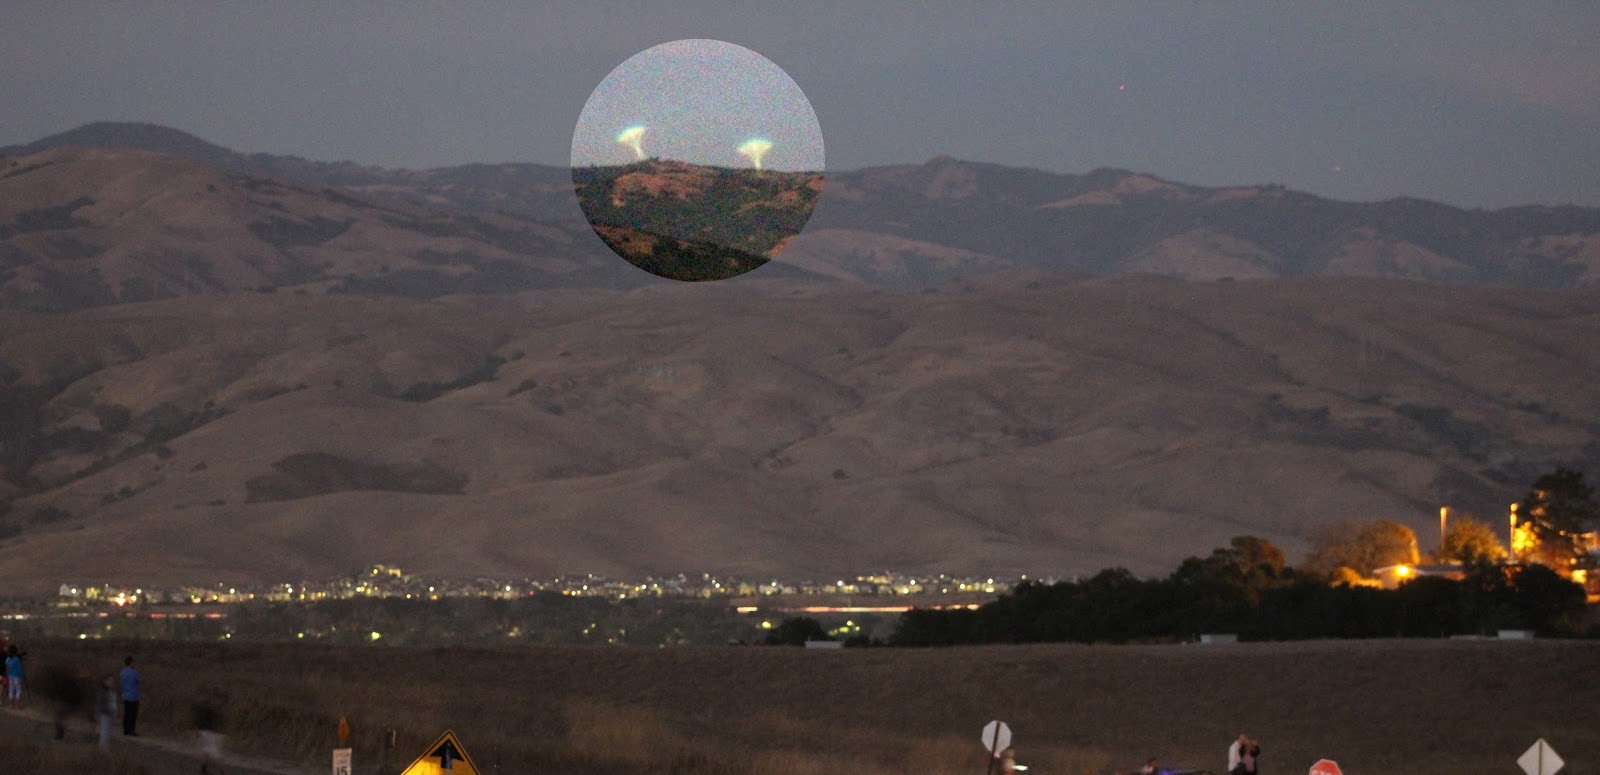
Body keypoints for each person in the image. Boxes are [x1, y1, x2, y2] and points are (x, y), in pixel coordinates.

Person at [118, 655, 141, 736]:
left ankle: (125, 730)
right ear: (131, 662)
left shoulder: (122, 672)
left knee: (127, 713)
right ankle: (131, 730)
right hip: (134, 696)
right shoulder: (134, 673)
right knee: (133, 714)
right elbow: (138, 681)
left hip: (125, 695)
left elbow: (121, 683)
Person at [95, 674, 117, 751]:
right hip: (104, 713)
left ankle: (105, 749)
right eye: (110, 681)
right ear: (105, 681)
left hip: (111, 713)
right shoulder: (102, 690)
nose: (111, 682)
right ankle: (102, 749)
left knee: (108, 732)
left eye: (112, 681)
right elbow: (100, 701)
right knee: (104, 733)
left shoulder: (111, 690)